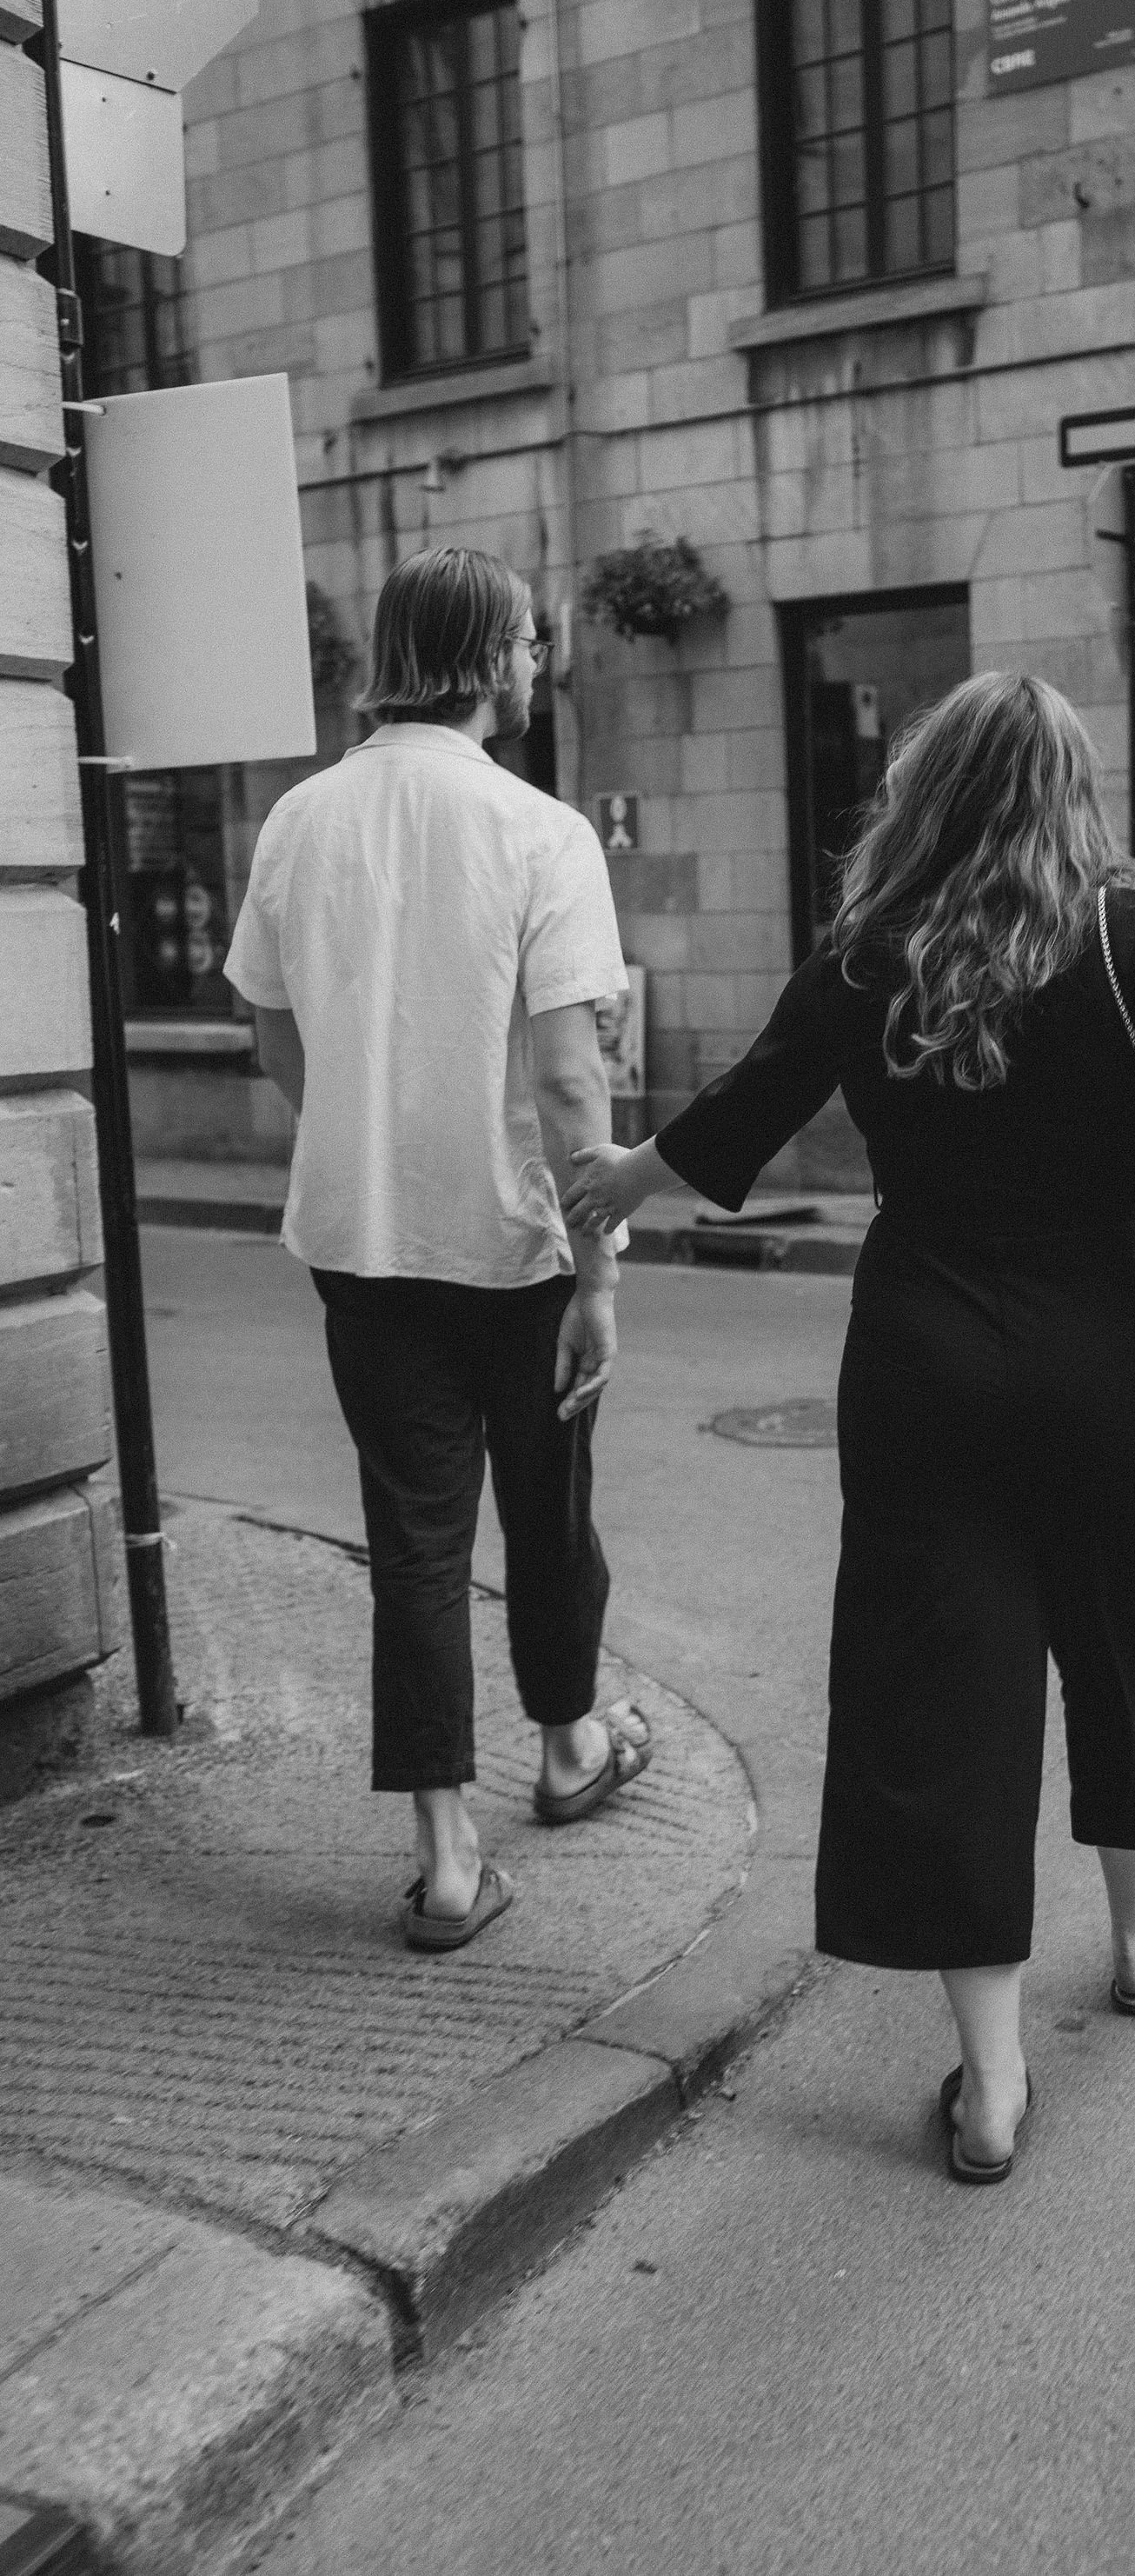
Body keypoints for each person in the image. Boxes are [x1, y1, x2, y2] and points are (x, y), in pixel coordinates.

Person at [562, 673, 1135, 2183]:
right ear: (1065, 792)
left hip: (922, 1356)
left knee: (940, 1694)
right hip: (1107, 1351)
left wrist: (625, 1175)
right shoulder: (1120, 933)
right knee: (1126, 1639)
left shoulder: (867, 945)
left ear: (930, 787)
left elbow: (746, 1107)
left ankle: (988, 2084)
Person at [223, 547, 652, 1954]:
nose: (539, 663)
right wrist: (597, 1270)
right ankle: (571, 1744)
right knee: (548, 1506)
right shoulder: (539, 834)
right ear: (482, 657)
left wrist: (351, 1128)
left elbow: (271, 1025)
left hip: (361, 1239)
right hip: (516, 1248)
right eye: (528, 641)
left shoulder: (297, 820)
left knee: (413, 1540)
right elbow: (571, 1082)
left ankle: (447, 1858)